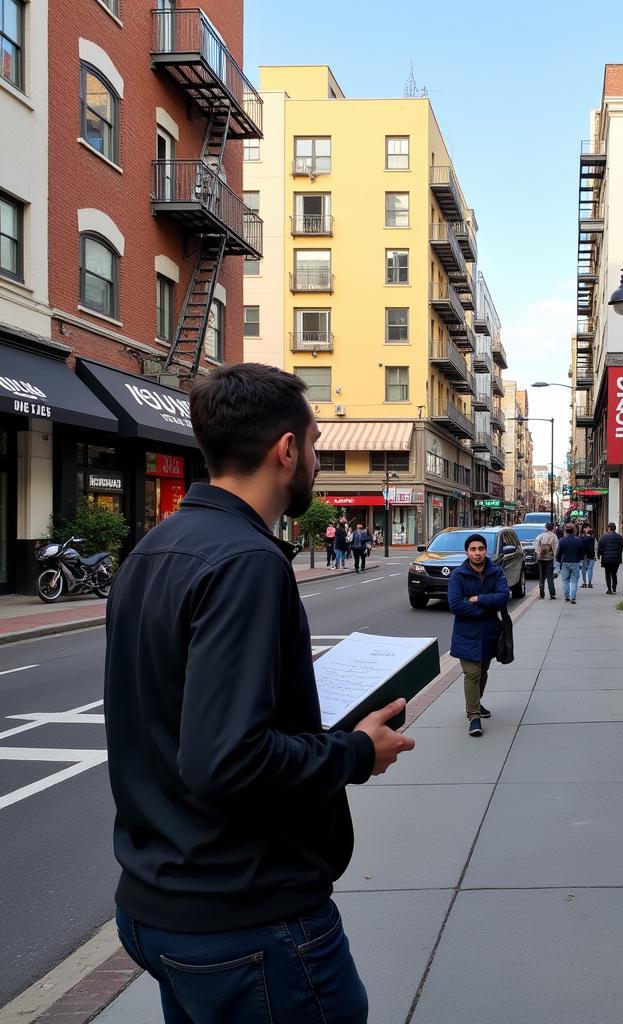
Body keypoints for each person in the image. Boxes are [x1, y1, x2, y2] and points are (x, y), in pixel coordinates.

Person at [104, 363, 415, 1024]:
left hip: (159, 908)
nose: (316, 463)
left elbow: (180, 717)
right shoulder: (246, 563)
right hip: (248, 924)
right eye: (316, 447)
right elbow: (226, 759)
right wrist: (357, 752)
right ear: (287, 451)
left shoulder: (151, 552)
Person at [447, 533, 510, 737]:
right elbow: (455, 604)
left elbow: (503, 597)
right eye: (473, 549)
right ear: (467, 552)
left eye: (480, 549)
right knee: (472, 673)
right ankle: (473, 716)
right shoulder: (458, 575)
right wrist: (485, 609)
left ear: (485, 551)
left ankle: (477, 701)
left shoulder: (496, 571)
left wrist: (478, 598)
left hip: (490, 633)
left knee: (483, 671)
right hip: (466, 633)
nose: (477, 553)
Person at [555, 523, 585, 604]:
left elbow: (559, 553)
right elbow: (581, 552)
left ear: (566, 531)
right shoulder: (578, 540)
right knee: (574, 581)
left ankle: (567, 596)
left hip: (565, 562)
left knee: (565, 580)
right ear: (573, 531)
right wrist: (581, 559)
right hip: (575, 562)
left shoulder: (562, 540)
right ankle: (573, 597)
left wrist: (558, 560)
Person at [597, 523, 623, 594]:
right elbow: (622, 545)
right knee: (614, 573)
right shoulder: (619, 537)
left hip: (606, 559)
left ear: (609, 528)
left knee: (607, 574)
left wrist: (598, 555)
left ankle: (609, 589)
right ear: (615, 528)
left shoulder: (603, 537)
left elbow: (600, 547)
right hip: (616, 559)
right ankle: (614, 588)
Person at [533, 522, 558, 599]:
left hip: (541, 559)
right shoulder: (554, 536)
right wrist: (554, 557)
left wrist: (538, 554)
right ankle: (552, 594)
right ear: (552, 528)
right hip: (549, 559)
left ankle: (542, 594)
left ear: (546, 528)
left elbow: (536, 546)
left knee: (541, 577)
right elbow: (556, 548)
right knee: (550, 577)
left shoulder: (540, 536)